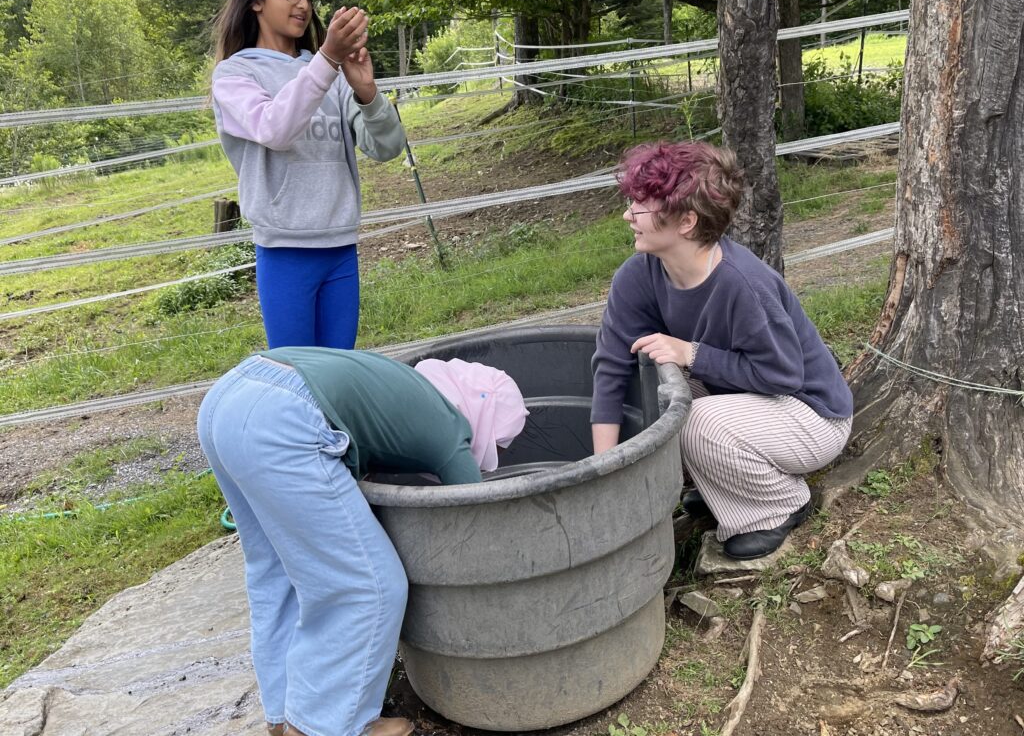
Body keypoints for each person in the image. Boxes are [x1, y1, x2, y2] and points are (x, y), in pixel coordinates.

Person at [198, 348, 529, 736]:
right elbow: (476, 519)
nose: (494, 454)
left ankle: (284, 713)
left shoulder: (410, 389)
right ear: (484, 417)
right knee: (369, 585)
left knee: (276, 571)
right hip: (286, 420)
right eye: (499, 444)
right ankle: (328, 726)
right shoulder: (451, 430)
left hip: (229, 397)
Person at [590, 142, 853, 560]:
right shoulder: (637, 277)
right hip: (743, 399)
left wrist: (691, 353)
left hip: (810, 414)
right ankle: (723, 484)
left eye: (641, 206)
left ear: (687, 221)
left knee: (693, 419)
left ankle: (780, 505)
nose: (628, 215)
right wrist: (600, 470)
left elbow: (783, 376)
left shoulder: (742, 283)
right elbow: (611, 368)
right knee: (657, 386)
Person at [211, 0, 407, 350]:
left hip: (340, 245)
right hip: (285, 251)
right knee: (298, 373)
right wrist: (328, 59)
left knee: (337, 372)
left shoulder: (331, 74)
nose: (303, 4)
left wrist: (367, 93)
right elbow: (276, 129)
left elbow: (388, 147)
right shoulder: (235, 74)